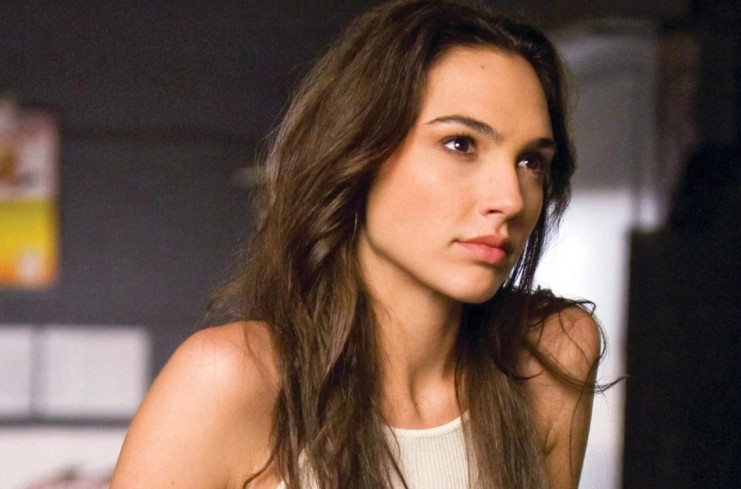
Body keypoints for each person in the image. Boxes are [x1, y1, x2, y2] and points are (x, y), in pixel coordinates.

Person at [110, 1, 606, 488]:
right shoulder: (231, 380)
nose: (510, 199)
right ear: (359, 152)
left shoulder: (550, 358)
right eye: (460, 144)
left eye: (531, 162)